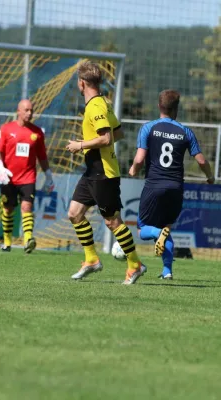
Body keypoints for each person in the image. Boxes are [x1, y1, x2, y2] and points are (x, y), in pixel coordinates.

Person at [65, 60, 145, 285]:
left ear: (81, 83)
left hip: (103, 172)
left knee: (113, 222)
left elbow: (108, 138)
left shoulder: (97, 106)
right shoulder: (103, 103)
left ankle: (135, 264)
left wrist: (80, 145)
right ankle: (91, 260)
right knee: (74, 213)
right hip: (92, 171)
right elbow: (118, 134)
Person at [128, 90, 214, 279]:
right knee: (167, 227)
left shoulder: (148, 128)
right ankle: (167, 271)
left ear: (159, 106)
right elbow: (201, 161)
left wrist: (133, 169)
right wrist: (210, 176)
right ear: (177, 108)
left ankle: (158, 232)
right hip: (176, 188)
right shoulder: (185, 132)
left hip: (154, 185)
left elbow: (140, 158)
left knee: (143, 230)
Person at [0, 99, 54, 253]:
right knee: (8, 209)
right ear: (18, 111)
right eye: (26, 110)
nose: (30, 113)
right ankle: (7, 242)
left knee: (27, 207)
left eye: (31, 110)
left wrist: (48, 175)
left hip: (28, 177)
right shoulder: (6, 129)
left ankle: (28, 239)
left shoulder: (37, 132)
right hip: (9, 177)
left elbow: (42, 156)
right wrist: (0, 168)